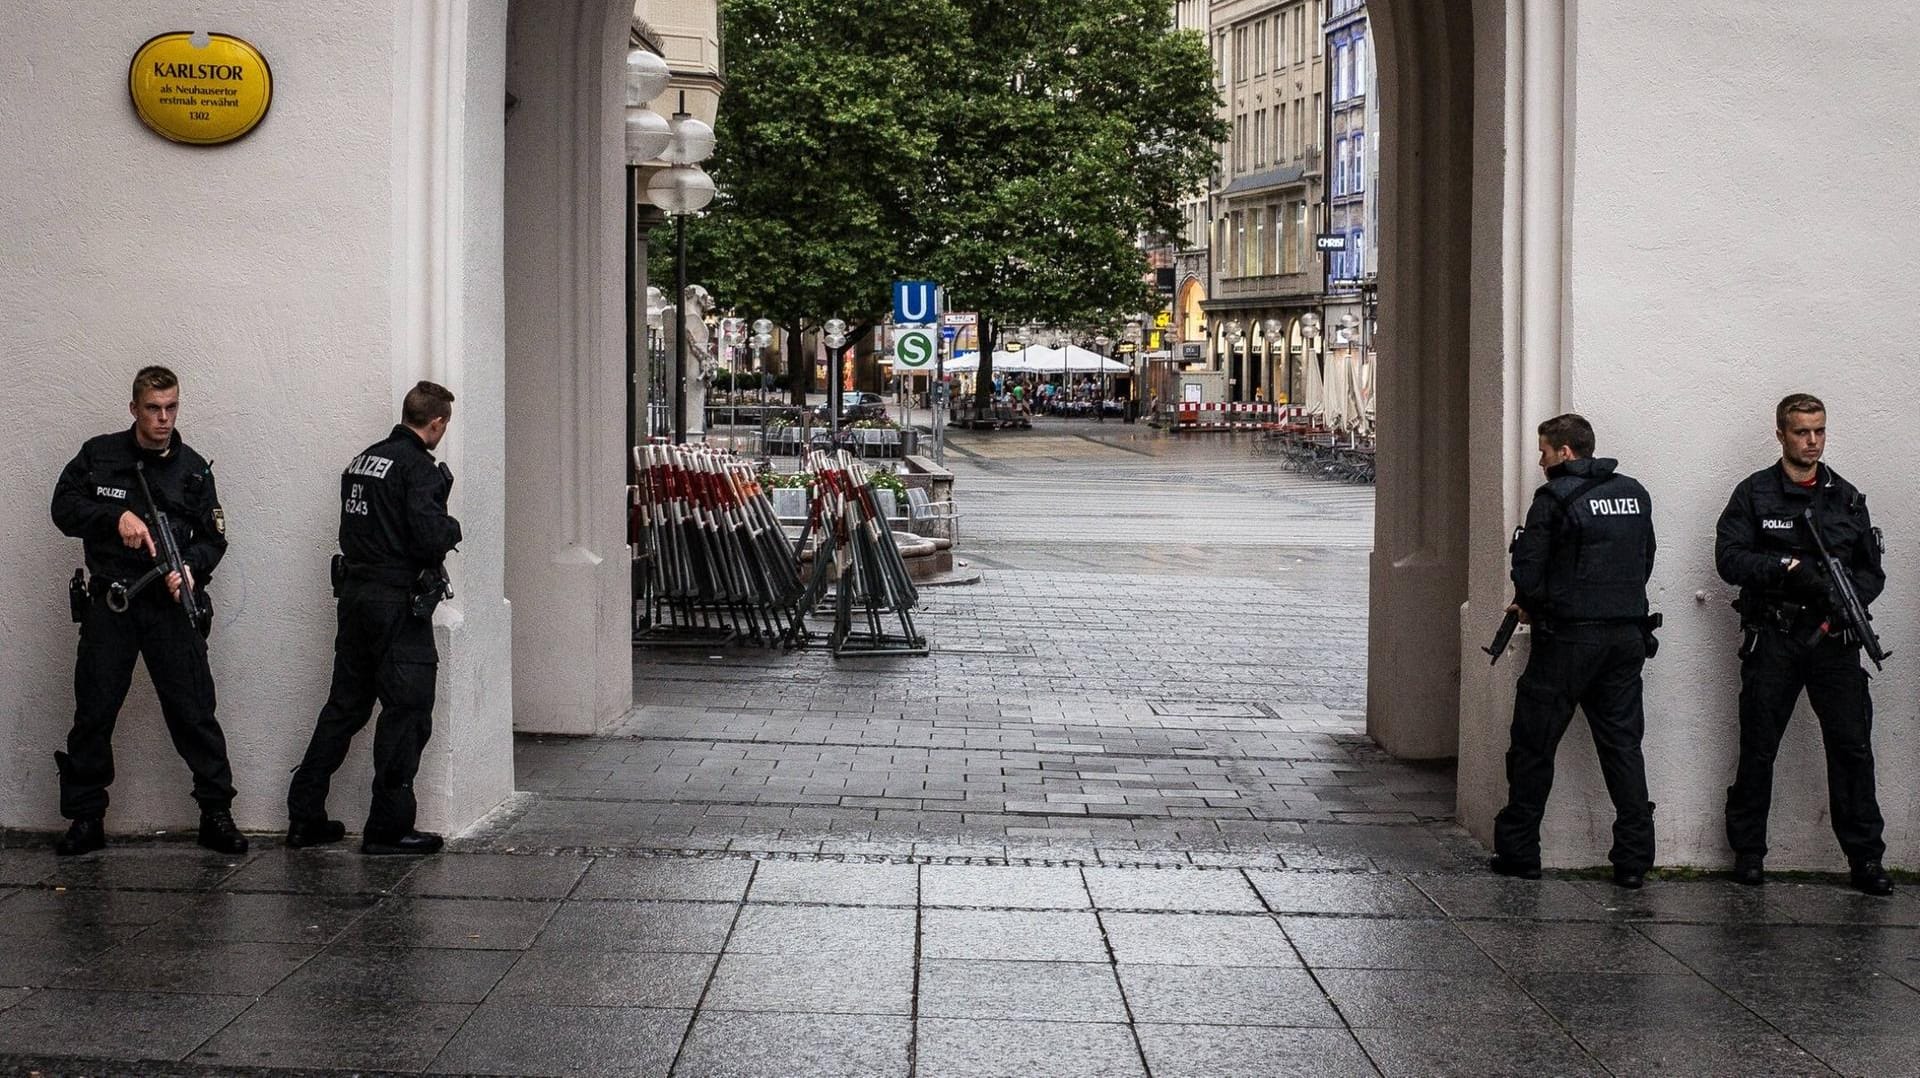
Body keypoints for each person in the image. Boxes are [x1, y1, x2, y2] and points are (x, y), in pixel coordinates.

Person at [49, 366, 247, 856]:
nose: (163, 418)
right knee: (94, 711)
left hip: (168, 606)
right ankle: (85, 816)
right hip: (113, 603)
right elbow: (63, 508)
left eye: (171, 407)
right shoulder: (100, 456)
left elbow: (214, 537)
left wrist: (193, 568)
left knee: (194, 711)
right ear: (134, 408)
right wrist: (114, 517)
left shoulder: (194, 469)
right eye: (154, 408)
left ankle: (216, 812)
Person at [1715, 393, 1891, 895]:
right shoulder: (1754, 494)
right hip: (1775, 636)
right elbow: (1729, 559)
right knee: (1758, 747)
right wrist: (1786, 570)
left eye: (1819, 431)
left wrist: (1843, 603)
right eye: (1801, 432)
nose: (1811, 441)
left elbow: (1870, 571)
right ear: (1781, 435)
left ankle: (1865, 859)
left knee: (1852, 749)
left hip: (1833, 642)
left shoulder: (1846, 497)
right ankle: (1749, 853)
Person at [286, 382, 463, 855]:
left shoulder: (364, 460)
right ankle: (388, 828)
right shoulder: (418, 469)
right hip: (396, 605)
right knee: (406, 713)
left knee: (344, 707)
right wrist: (451, 526)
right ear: (437, 422)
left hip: (356, 597)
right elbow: (428, 538)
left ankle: (304, 814)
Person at [1490, 414, 1657, 888]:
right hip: (1626, 637)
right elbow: (1645, 559)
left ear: (1565, 452)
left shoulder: (1553, 498)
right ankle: (1633, 860)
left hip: (1567, 642)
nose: (1540, 461)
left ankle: (1519, 852)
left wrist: (1535, 603)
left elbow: (1529, 574)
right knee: (1623, 748)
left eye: (1543, 452)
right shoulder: (1634, 493)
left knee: (1533, 746)